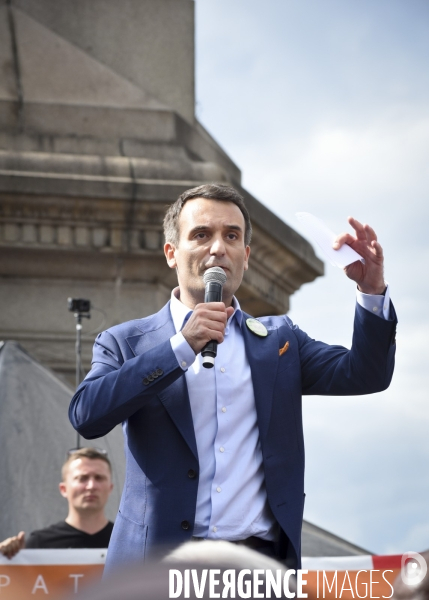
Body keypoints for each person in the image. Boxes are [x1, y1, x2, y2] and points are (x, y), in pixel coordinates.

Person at [69, 183, 397, 574]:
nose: (218, 248)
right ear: (172, 253)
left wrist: (371, 290)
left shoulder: (280, 341)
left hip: (256, 570)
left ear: (246, 256)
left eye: (232, 236)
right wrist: (180, 347)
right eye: (202, 234)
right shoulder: (126, 341)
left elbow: (366, 374)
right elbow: (86, 415)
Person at [0, 447, 114, 558]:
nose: (91, 486)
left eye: (99, 478)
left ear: (110, 488)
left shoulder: (127, 542)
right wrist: (8, 559)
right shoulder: (39, 544)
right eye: (82, 478)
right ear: (64, 489)